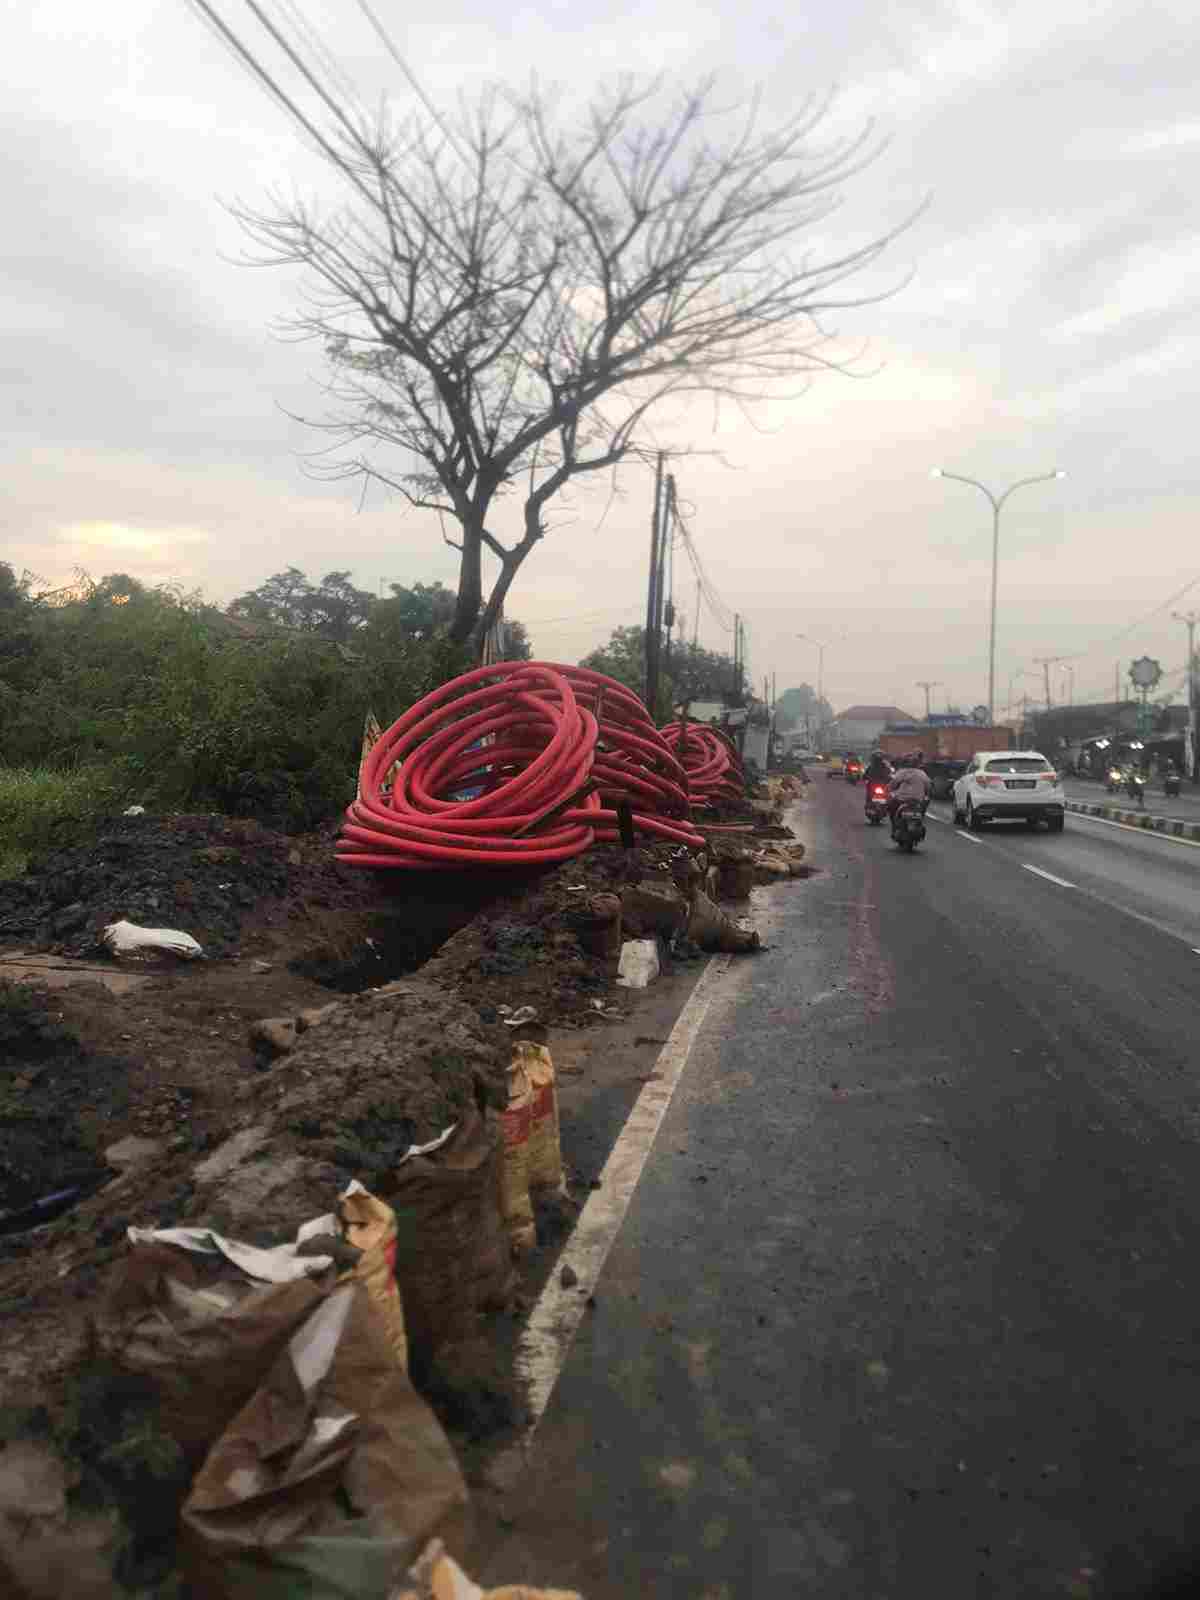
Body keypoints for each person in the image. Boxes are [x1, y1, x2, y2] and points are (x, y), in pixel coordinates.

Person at [888, 754, 931, 823]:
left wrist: (890, 789)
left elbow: (893, 783)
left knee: (891, 807)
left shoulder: (902, 772)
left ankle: (894, 824)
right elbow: (928, 785)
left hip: (902, 798)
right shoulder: (922, 773)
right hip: (918, 799)